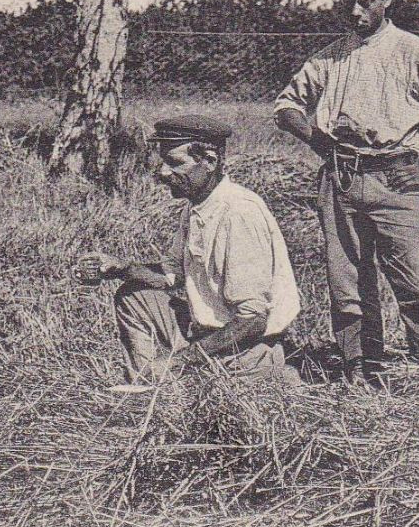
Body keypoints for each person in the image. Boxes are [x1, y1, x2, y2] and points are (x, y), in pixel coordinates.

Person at [274, 0, 419, 386]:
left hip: (397, 179)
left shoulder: (413, 51)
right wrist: (317, 139)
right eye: (348, 2)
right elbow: (286, 104)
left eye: (365, 2)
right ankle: (361, 371)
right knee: (347, 284)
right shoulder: (332, 57)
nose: (355, 13)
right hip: (340, 180)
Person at [74, 115, 302, 385]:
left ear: (210, 161)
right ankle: (148, 383)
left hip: (243, 348)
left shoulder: (239, 212)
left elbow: (252, 321)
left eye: (174, 163)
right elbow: (172, 274)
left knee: (185, 392)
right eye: (163, 162)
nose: (162, 172)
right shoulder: (197, 204)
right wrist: (120, 268)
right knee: (134, 296)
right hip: (208, 336)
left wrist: (181, 360)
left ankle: (265, 373)